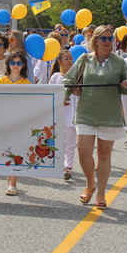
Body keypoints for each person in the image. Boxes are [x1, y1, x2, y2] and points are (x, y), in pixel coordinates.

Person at [62, 25, 127, 209]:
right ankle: (89, 184)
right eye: (104, 38)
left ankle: (101, 193)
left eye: (111, 38)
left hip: (109, 114)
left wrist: (126, 85)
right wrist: (65, 94)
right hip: (86, 112)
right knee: (83, 152)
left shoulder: (119, 61)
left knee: (104, 154)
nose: (108, 41)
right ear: (96, 40)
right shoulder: (84, 58)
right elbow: (68, 80)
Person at [0, 51, 32, 196]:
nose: (15, 65)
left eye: (18, 63)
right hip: (4, 121)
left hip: (19, 122)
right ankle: (10, 173)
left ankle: (13, 184)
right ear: (8, 64)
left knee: (17, 152)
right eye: (12, 62)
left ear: (23, 65)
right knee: (6, 150)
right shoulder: (1, 81)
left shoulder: (27, 83)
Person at [49, 50, 77, 180]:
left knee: (70, 142)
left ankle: (68, 167)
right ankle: (57, 164)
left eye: (71, 58)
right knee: (57, 141)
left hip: (72, 114)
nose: (70, 61)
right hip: (58, 114)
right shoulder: (55, 77)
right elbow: (49, 93)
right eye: (66, 59)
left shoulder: (78, 76)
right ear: (60, 62)